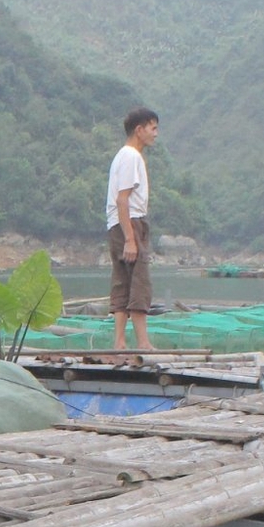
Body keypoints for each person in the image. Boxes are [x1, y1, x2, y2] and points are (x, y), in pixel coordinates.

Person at [106, 107, 159, 354]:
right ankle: (143, 343)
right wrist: (130, 238)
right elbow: (122, 200)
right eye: (153, 128)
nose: (156, 134)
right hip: (130, 223)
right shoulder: (131, 157)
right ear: (139, 130)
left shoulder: (123, 156)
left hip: (117, 225)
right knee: (139, 281)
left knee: (122, 282)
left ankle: (119, 343)